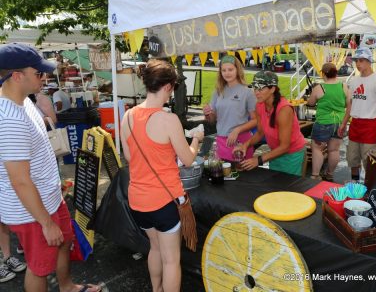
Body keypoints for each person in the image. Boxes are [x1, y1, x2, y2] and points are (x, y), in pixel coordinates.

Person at [0, 43, 102, 292]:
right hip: (32, 212)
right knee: (39, 267)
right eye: (38, 73)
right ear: (16, 76)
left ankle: (67, 287)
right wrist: (46, 223)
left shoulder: (25, 102)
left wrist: (55, 188)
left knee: (64, 241)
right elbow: (20, 181)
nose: (44, 78)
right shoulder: (10, 119)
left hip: (48, 198)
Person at [120, 59, 204, 292]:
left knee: (154, 248)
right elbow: (187, 160)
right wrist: (195, 140)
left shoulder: (127, 116)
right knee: (171, 259)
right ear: (168, 87)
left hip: (137, 199)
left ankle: (156, 288)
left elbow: (129, 156)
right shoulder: (168, 120)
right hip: (164, 201)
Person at [235, 71, 305, 176]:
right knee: (275, 187)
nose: (256, 92)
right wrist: (245, 145)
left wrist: (258, 160)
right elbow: (260, 133)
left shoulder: (284, 110)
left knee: (289, 190)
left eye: (261, 88)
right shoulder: (260, 105)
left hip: (292, 155)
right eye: (255, 88)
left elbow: (285, 146)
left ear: (272, 89)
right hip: (275, 153)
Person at [338, 47, 376, 181]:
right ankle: (355, 184)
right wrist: (343, 124)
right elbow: (350, 104)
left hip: (370, 126)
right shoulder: (354, 81)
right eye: (356, 61)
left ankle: (370, 189)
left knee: (369, 162)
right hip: (355, 125)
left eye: (361, 61)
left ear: (369, 61)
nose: (358, 64)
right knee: (353, 159)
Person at [203, 55, 257, 161]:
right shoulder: (217, 92)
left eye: (230, 69)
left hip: (241, 142)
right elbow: (212, 120)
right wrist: (208, 114)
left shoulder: (247, 92)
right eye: (224, 70)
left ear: (238, 70)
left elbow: (256, 120)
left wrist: (237, 130)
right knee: (224, 175)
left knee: (243, 176)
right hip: (222, 141)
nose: (227, 73)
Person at [307, 63, 351, 181]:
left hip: (323, 123)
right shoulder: (344, 86)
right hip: (339, 123)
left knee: (317, 148)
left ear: (324, 74)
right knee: (334, 150)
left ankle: (315, 175)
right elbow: (348, 104)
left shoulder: (319, 88)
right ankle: (330, 174)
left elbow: (310, 103)